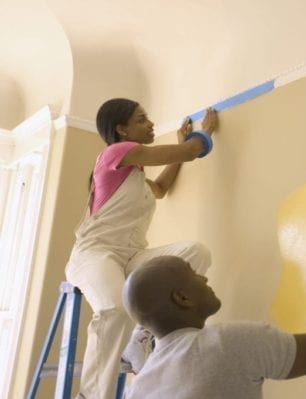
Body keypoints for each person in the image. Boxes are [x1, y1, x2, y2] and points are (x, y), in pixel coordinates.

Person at [64, 98, 218, 399]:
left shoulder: (134, 175)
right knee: (114, 308)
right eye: (141, 119)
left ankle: (140, 340)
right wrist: (205, 134)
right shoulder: (116, 153)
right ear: (122, 130)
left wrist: (181, 152)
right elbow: (190, 151)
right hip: (95, 253)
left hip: (132, 256)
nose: (150, 124)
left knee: (196, 253)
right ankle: (92, 395)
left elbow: (159, 189)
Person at [122, 243, 306, 399]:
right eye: (193, 273)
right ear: (182, 297)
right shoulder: (226, 344)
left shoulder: (136, 391)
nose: (204, 278)